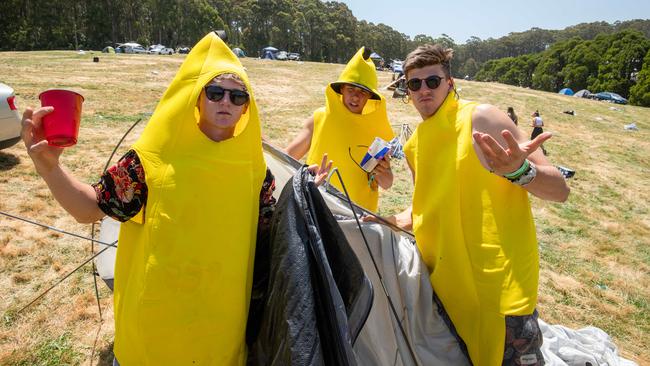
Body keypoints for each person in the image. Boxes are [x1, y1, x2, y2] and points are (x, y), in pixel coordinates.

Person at [21, 32, 329, 365]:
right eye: (215, 92)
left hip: (219, 336)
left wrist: (303, 191)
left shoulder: (256, 171)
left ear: (246, 108)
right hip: (154, 335)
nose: (226, 102)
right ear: (196, 98)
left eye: (238, 97)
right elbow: (89, 209)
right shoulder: (151, 159)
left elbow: (273, 235)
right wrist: (50, 168)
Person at [375, 44, 569, 365]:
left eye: (433, 81)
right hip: (447, 290)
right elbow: (424, 209)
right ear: (407, 91)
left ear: (449, 83)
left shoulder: (482, 117)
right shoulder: (414, 144)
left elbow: (559, 190)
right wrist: (375, 221)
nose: (424, 89)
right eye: (414, 84)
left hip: (499, 292)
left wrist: (520, 171)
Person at [285, 46, 394, 212]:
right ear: (341, 89)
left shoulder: (377, 133)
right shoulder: (320, 118)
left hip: (356, 217)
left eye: (363, 92)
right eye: (350, 89)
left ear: (370, 97)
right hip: (317, 210)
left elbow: (387, 183)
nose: (356, 96)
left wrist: (383, 172)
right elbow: (287, 157)